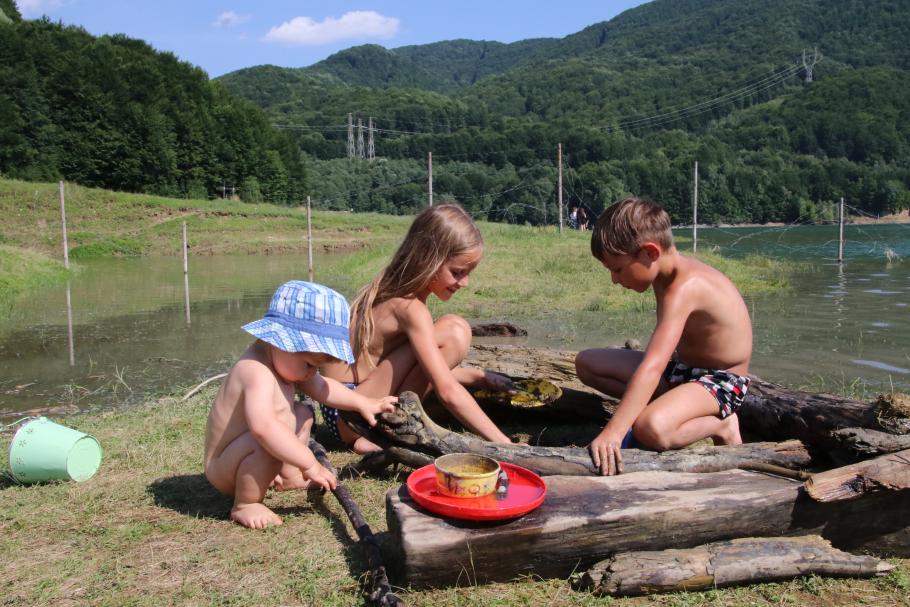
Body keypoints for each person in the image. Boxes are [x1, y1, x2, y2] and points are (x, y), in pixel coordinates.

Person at [575, 197, 752, 476]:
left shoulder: (685, 287)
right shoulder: (665, 274)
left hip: (720, 381)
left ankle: (723, 425)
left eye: (617, 269)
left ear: (650, 253)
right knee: (586, 363)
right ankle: (667, 406)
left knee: (650, 428)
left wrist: (614, 432)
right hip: (681, 371)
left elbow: (653, 366)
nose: (614, 280)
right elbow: (659, 360)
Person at [322, 203, 517, 452]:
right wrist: (503, 443)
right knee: (454, 331)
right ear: (428, 259)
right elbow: (446, 390)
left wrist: (475, 376)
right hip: (352, 414)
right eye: (457, 272)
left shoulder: (394, 284)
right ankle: (380, 433)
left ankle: (377, 430)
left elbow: (398, 365)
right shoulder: (410, 308)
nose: (464, 283)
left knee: (452, 329)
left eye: (468, 273)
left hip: (339, 406)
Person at [204, 280, 397, 529]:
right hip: (225, 468)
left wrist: (363, 402)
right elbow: (263, 428)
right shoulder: (255, 372)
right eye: (309, 364)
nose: (312, 372)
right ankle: (245, 503)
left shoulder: (284, 362)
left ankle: (288, 475)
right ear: (281, 342)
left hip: (248, 454)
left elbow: (322, 387)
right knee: (266, 440)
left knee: (303, 413)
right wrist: (309, 463)